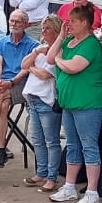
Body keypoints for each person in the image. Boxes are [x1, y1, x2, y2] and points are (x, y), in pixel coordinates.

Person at [49, 2, 102, 203]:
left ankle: (92, 192)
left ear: (84, 22)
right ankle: (69, 186)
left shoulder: (91, 44)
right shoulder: (69, 42)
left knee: (89, 146)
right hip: (69, 103)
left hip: (88, 103)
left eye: (73, 21)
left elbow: (73, 67)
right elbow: (50, 57)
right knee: (73, 145)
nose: (69, 24)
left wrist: (59, 60)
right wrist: (60, 38)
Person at [0, 9, 39, 166]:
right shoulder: (2, 42)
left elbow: (26, 70)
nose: (14, 24)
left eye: (17, 21)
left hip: (22, 84)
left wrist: (10, 82)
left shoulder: (33, 45)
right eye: (12, 21)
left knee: (1, 96)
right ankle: (1, 149)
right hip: (4, 86)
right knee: (3, 106)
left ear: (25, 24)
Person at [21, 14, 64, 192]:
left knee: (51, 141)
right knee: (37, 139)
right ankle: (41, 172)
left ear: (55, 31)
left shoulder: (59, 50)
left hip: (46, 100)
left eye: (47, 29)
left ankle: (52, 177)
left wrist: (32, 68)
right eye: (43, 28)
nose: (44, 31)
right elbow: (24, 64)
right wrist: (36, 54)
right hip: (33, 98)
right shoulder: (39, 48)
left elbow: (47, 74)